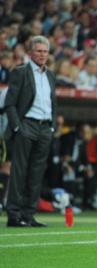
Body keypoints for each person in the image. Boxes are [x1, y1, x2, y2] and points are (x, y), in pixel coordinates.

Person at [4, 35, 57, 227]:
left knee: (36, 173)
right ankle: (14, 215)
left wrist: (52, 127)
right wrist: (17, 127)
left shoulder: (50, 75)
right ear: (30, 52)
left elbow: (53, 102)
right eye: (39, 51)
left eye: (45, 51)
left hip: (45, 127)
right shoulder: (20, 72)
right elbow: (9, 104)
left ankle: (28, 214)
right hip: (26, 125)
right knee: (19, 171)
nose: (42, 54)